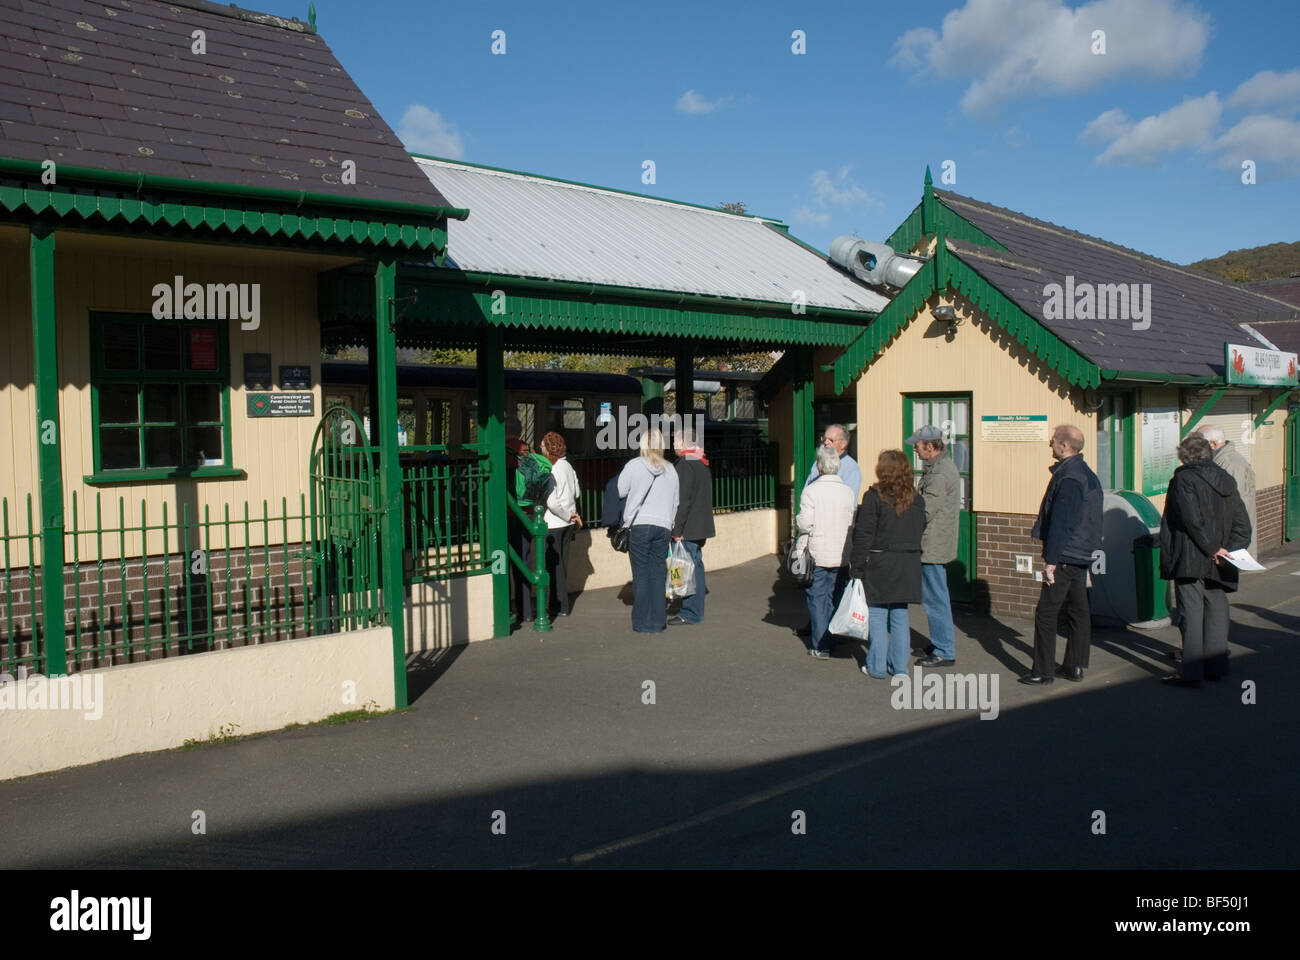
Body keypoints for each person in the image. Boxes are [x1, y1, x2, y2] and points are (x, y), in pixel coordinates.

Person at [1158, 435, 1251, 686]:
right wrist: (1229, 550)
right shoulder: (1226, 479)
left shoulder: (1183, 479)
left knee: (1191, 613)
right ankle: (1216, 666)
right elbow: (1243, 523)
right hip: (1221, 558)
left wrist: (1212, 548)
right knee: (1217, 609)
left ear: (1184, 456)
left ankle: (1191, 673)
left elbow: (1191, 520)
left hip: (1191, 556)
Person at [1020, 425, 1102, 685]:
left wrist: (1051, 561)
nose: (1050, 444)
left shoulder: (1068, 478)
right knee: (1079, 611)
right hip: (1082, 553)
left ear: (1064, 445)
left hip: (1065, 554)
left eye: (1053, 440)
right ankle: (1075, 665)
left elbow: (1061, 522)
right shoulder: (1088, 474)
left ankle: (1042, 671)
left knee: (1046, 614)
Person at [850, 450, 926, 679]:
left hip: (881, 561)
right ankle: (900, 667)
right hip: (908, 563)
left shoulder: (874, 497)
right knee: (900, 615)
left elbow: (863, 535)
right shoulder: (917, 499)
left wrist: (856, 567)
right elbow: (921, 528)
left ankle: (876, 666)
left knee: (878, 614)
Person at [907, 424, 960, 668]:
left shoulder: (939, 473)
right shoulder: (939, 468)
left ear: (930, 446)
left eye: (917, 445)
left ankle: (944, 649)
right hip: (934, 543)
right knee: (936, 597)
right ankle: (940, 643)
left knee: (935, 599)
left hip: (932, 545)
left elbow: (925, 510)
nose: (915, 449)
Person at [616, 428, 680, 633]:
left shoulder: (634, 465)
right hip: (663, 527)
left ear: (642, 444)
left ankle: (642, 622)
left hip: (640, 526)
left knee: (641, 574)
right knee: (657, 573)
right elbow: (675, 503)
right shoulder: (671, 469)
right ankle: (658, 620)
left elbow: (620, 490)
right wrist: (669, 524)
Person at [796, 446, 857, 659]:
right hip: (842, 553)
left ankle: (821, 645)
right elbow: (852, 522)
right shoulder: (848, 492)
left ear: (819, 466)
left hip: (818, 552)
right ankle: (832, 637)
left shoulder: (811, 491)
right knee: (834, 596)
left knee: (817, 597)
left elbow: (805, 524)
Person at [506, 436, 553, 626]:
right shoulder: (530, 453)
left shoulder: (504, 453)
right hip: (531, 514)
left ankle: (507, 609)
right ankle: (526, 610)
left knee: (504, 563)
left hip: (510, 515)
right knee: (524, 561)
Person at [670, 430, 714, 625]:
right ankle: (694, 609)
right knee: (695, 566)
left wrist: (677, 530)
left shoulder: (685, 465)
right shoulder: (700, 462)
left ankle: (690, 611)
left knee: (686, 568)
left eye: (674, 440)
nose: (672, 444)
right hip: (700, 526)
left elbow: (683, 501)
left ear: (682, 442)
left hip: (688, 528)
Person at [1194, 424, 1257, 557]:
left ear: (1212, 443)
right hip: (1230, 540)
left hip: (1231, 542)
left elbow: (1230, 505)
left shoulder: (1229, 463)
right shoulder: (1225, 460)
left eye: (1199, 442)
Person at [540, 431, 581, 619]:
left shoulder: (552, 470)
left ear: (549, 450)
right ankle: (563, 605)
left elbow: (552, 502)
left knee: (553, 567)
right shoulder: (568, 466)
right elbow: (577, 492)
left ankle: (556, 605)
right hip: (568, 523)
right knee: (562, 565)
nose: (540, 449)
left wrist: (564, 515)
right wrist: (570, 515)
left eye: (542, 446)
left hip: (554, 523)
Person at [803, 424, 861, 500]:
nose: (826, 442)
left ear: (843, 444)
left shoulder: (851, 468)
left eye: (831, 440)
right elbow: (806, 492)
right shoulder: (817, 463)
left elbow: (850, 502)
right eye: (824, 439)